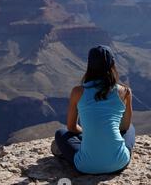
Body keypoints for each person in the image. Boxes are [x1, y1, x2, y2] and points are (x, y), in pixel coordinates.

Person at [52, 45, 135, 175]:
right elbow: (124, 126)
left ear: (89, 66)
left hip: (86, 166)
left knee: (61, 133)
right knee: (131, 128)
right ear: (112, 65)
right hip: (119, 163)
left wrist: (88, 132)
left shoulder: (77, 92)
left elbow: (71, 127)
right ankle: (111, 150)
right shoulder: (124, 92)